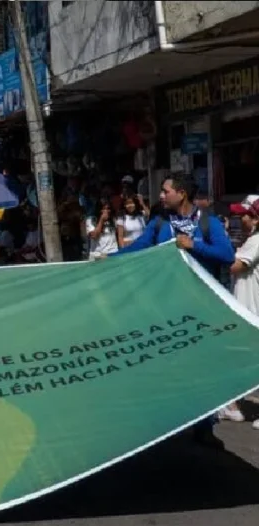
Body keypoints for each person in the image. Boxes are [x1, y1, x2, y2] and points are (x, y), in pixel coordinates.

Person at [104, 173, 235, 448]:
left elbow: (227, 256)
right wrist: (109, 259)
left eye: (165, 191)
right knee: (169, 364)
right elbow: (140, 248)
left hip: (201, 307)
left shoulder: (207, 222)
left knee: (201, 368)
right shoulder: (159, 222)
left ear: (182, 193)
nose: (161, 196)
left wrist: (194, 245)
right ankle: (168, 423)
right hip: (166, 305)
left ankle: (205, 426)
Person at [226, 195, 259, 430]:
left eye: (245, 215)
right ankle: (233, 406)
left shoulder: (256, 241)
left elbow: (235, 266)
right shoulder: (252, 240)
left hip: (251, 309)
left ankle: (233, 407)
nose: (241, 219)